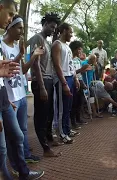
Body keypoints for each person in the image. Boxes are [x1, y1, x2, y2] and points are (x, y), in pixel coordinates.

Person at [0, 0, 44, 179]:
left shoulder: (18, 46)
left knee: (19, 134)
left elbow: (19, 69)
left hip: (13, 96)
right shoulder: (1, 45)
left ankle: (21, 167)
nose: (22, 32)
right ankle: (15, 169)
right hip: (9, 95)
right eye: (19, 28)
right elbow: (8, 69)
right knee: (6, 143)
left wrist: (31, 56)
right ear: (10, 26)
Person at [28, 13, 63, 157]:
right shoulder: (37, 38)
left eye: (55, 28)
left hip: (48, 80)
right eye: (52, 27)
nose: (53, 30)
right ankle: (45, 149)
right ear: (45, 23)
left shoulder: (47, 41)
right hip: (40, 81)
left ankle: (48, 139)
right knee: (41, 116)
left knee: (49, 113)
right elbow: (35, 63)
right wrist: (42, 86)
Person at [51, 23, 80, 144]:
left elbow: (71, 64)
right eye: (70, 32)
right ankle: (62, 133)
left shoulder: (67, 46)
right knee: (62, 108)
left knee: (68, 106)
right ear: (63, 31)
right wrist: (63, 83)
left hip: (70, 77)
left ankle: (67, 130)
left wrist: (75, 78)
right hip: (62, 79)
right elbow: (57, 65)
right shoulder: (57, 45)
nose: (72, 35)